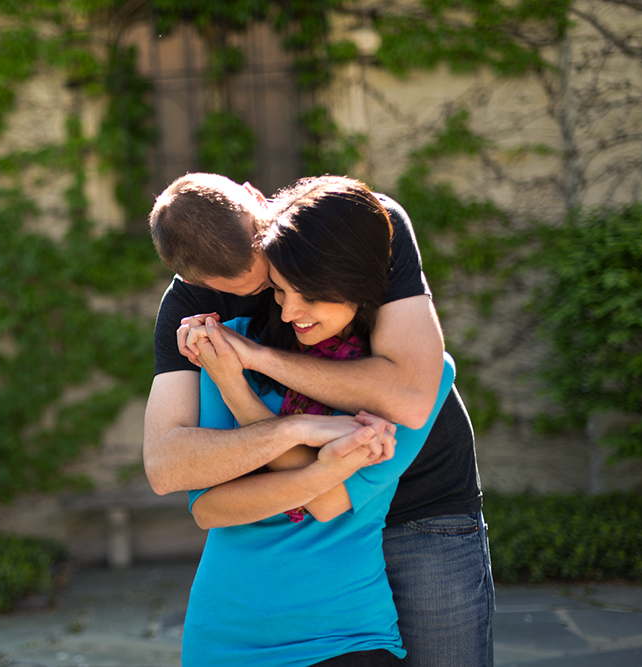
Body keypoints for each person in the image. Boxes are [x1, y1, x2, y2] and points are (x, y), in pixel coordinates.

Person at [144, 173, 494, 667]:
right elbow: (169, 468)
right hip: (295, 535)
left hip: (423, 508)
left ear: (258, 201)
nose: (283, 307)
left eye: (274, 276)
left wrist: (254, 362)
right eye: (274, 291)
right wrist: (288, 426)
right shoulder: (196, 310)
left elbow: (413, 396)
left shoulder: (359, 225)